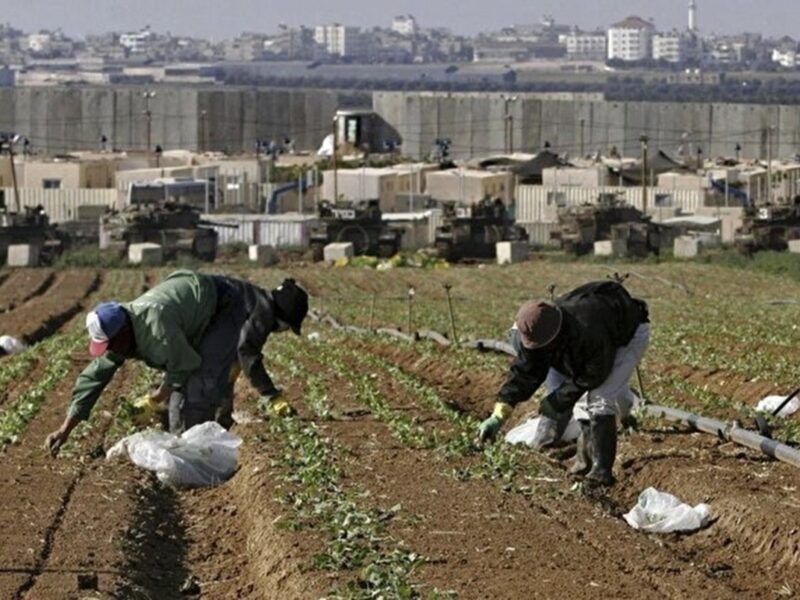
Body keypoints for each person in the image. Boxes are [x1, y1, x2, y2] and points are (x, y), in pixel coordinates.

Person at [45, 270, 308, 456]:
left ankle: (193, 452)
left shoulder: (156, 331)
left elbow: (187, 367)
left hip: (218, 305)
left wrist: (155, 398)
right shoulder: (121, 333)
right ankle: (206, 434)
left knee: (199, 384)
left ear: (122, 332)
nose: (110, 351)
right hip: (197, 300)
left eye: (110, 345)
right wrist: (64, 429)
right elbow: (93, 378)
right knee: (210, 374)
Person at [477, 281, 649, 486]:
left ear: (556, 336)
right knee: (582, 397)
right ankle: (576, 456)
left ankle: (601, 473)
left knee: (600, 399)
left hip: (625, 336)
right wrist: (499, 414)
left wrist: (560, 398)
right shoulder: (532, 334)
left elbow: (594, 373)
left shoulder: (588, 328)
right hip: (588, 344)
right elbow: (525, 371)